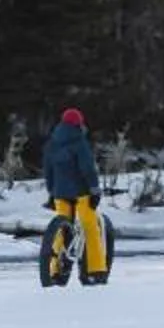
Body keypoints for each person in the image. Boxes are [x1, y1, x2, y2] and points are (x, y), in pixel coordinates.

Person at [41, 106, 110, 285]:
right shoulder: (79, 142)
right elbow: (87, 169)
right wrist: (94, 189)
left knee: (61, 231)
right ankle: (95, 271)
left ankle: (55, 271)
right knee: (89, 225)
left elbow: (48, 171)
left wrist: (51, 192)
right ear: (79, 124)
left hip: (60, 193)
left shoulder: (52, 144)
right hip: (81, 192)